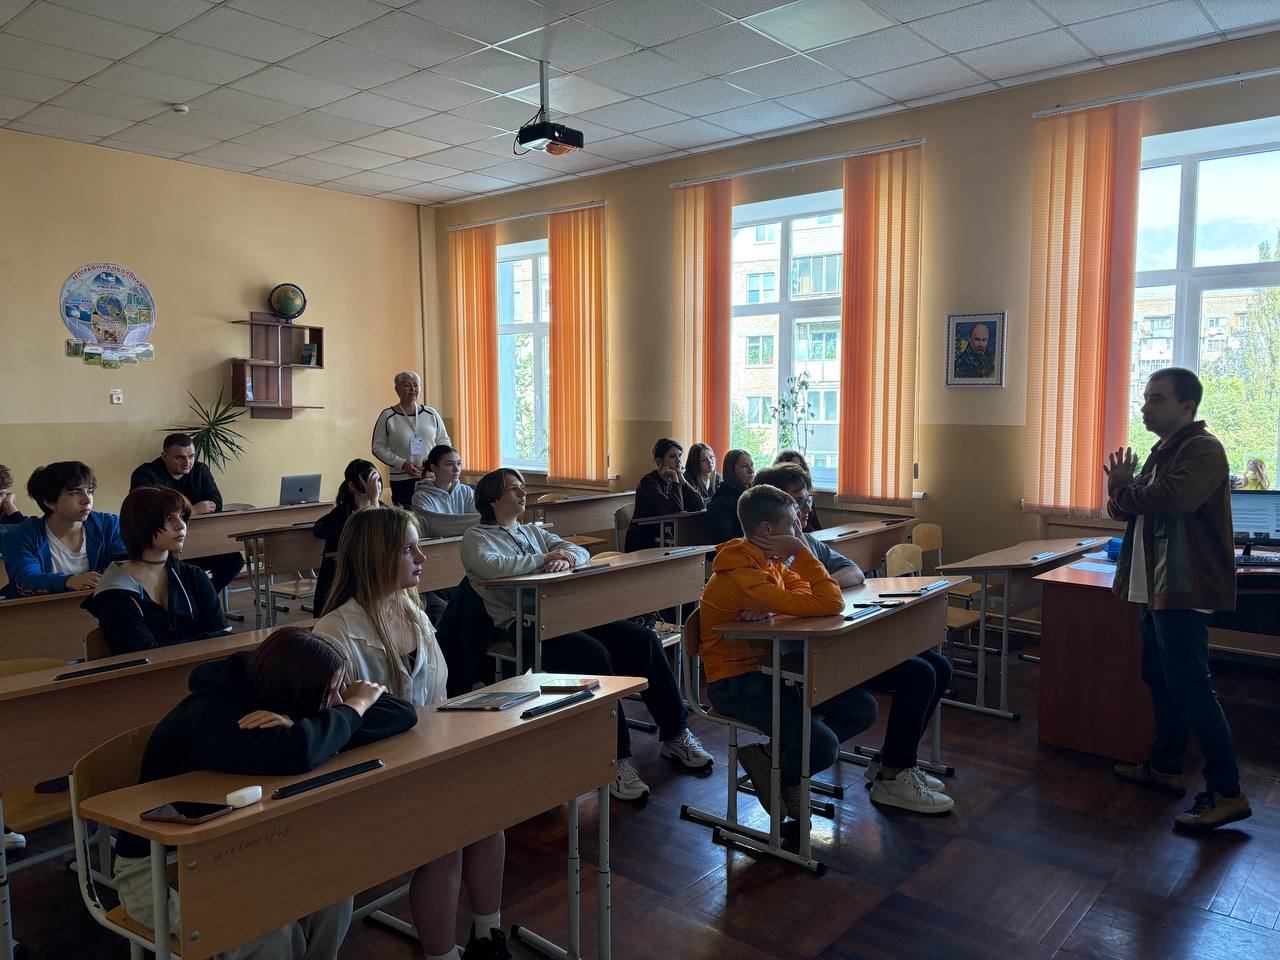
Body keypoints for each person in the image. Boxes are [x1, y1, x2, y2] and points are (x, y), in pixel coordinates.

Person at [112, 626, 417, 959]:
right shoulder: (216, 716)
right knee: (267, 933)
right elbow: (298, 752)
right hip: (157, 869)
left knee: (332, 891)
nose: (339, 701)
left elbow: (401, 713)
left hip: (234, 851)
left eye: (342, 689)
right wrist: (352, 709)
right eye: (330, 692)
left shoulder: (280, 698)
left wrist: (314, 723)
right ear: (295, 691)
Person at [315, 507, 508, 960]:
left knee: (490, 817)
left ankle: (488, 937)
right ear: (376, 557)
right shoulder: (334, 632)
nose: (421, 558)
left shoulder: (412, 611)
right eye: (408, 549)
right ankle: (443, 956)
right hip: (375, 774)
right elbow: (336, 728)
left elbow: (437, 694)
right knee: (445, 842)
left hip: (428, 757)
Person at [462, 468, 712, 802]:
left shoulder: (532, 531)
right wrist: (546, 559)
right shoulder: (476, 537)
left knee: (643, 641)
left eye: (522, 488)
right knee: (592, 655)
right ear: (493, 499)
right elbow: (494, 566)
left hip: (569, 614)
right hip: (526, 625)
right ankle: (613, 759)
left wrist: (565, 556)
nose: (522, 494)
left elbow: (580, 552)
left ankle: (676, 734)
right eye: (514, 489)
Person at [751, 466, 954, 813]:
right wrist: (820, 591)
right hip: (800, 660)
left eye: (807, 500)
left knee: (938, 665)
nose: (806, 510)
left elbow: (855, 572)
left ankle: (894, 761)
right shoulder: (761, 557)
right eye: (797, 503)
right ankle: (892, 777)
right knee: (919, 674)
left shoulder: (807, 543)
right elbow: (782, 604)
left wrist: (823, 587)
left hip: (835, 646)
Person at [1107, 368, 1250, 833]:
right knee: (1159, 677)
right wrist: (1122, 490)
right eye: (1145, 398)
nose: (1144, 407)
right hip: (1152, 586)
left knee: (1192, 686)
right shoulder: (1161, 451)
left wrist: (1126, 489)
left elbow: (1173, 499)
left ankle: (1227, 792)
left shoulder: (1204, 449)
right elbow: (1122, 507)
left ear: (1187, 406)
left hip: (1183, 588)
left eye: (1156, 399)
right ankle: (1165, 766)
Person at [698, 484, 878, 821]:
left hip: (774, 670)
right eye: (792, 525)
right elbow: (830, 601)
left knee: (862, 709)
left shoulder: (768, 563)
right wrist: (800, 553)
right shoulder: (742, 573)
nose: (799, 531)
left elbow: (809, 592)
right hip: (735, 684)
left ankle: (772, 760)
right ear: (767, 530)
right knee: (823, 745)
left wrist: (777, 605)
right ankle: (790, 771)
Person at [83, 487, 229, 655]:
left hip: (204, 668)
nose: (181, 525)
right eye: (169, 519)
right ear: (141, 525)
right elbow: (143, 655)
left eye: (182, 516)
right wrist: (204, 642)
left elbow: (222, 637)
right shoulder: (114, 591)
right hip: (149, 672)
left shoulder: (194, 575)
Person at [129, 434, 244, 594]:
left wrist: (175, 513)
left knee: (234, 560)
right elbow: (147, 512)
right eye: (180, 458)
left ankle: (203, 597)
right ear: (164, 456)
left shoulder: (200, 470)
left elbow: (215, 503)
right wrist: (192, 510)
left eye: (191, 456)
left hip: (199, 540)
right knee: (176, 570)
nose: (187, 462)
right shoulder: (145, 474)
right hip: (163, 546)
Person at [3, 461, 125, 598]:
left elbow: (128, 565)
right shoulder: (21, 536)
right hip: (41, 609)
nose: (87, 500)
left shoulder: (109, 525)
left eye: (89, 491)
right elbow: (25, 580)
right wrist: (69, 581)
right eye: (75, 492)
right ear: (50, 501)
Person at [312, 459, 383, 615]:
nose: (376, 486)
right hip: (344, 583)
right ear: (352, 486)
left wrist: (375, 502)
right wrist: (373, 501)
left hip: (374, 577)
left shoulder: (382, 509)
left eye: (378, 480)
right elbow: (318, 529)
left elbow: (387, 535)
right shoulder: (342, 513)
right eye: (370, 481)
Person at [372, 371, 451, 508]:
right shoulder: (388, 416)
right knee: (407, 517)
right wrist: (401, 463)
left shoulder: (431, 414)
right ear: (397, 389)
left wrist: (434, 465)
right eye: (407, 385)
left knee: (434, 514)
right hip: (402, 479)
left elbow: (444, 443)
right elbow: (377, 447)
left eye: (416, 385)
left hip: (431, 477)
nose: (412, 389)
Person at [625, 438, 706, 551]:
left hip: (663, 538)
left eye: (680, 455)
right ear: (660, 461)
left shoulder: (677, 479)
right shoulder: (648, 482)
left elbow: (700, 505)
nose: (678, 461)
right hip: (642, 541)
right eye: (672, 457)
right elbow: (676, 510)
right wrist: (674, 477)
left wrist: (682, 480)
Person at [412, 444, 478, 537]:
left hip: (466, 541)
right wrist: (480, 521)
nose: (456, 469)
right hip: (437, 545)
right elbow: (434, 528)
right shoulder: (421, 497)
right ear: (434, 468)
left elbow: (482, 522)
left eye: (459, 463)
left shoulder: (466, 491)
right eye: (449, 464)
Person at [707, 449, 754, 543]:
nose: (751, 471)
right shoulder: (722, 501)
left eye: (752, 465)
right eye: (744, 466)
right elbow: (723, 539)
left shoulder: (752, 495)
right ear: (731, 471)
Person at [774, 450, 822, 531]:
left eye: (800, 466)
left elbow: (817, 527)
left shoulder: (807, 496)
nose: (798, 471)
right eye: (799, 501)